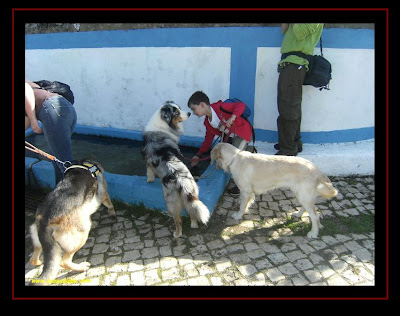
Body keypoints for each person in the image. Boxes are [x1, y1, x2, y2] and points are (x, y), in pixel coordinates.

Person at [187, 91, 252, 195]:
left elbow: (240, 105)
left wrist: (233, 117)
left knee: (236, 160)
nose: (194, 113)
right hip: (229, 138)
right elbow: (208, 141)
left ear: (202, 104)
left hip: (242, 134)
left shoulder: (221, 107)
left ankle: (242, 186)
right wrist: (198, 155)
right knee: (221, 156)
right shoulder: (207, 122)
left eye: (194, 109)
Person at [275, 23, 324, 156]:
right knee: (287, 105)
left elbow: (299, 33)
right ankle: (293, 142)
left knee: (289, 106)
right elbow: (284, 30)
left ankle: (288, 149)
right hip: (289, 63)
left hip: (297, 64)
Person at [25, 80, 77, 184]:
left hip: (53, 109)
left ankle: (77, 194)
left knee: (64, 162)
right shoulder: (28, 102)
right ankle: (61, 194)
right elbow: (26, 120)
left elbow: (26, 88)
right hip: (64, 109)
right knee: (58, 159)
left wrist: (34, 120)